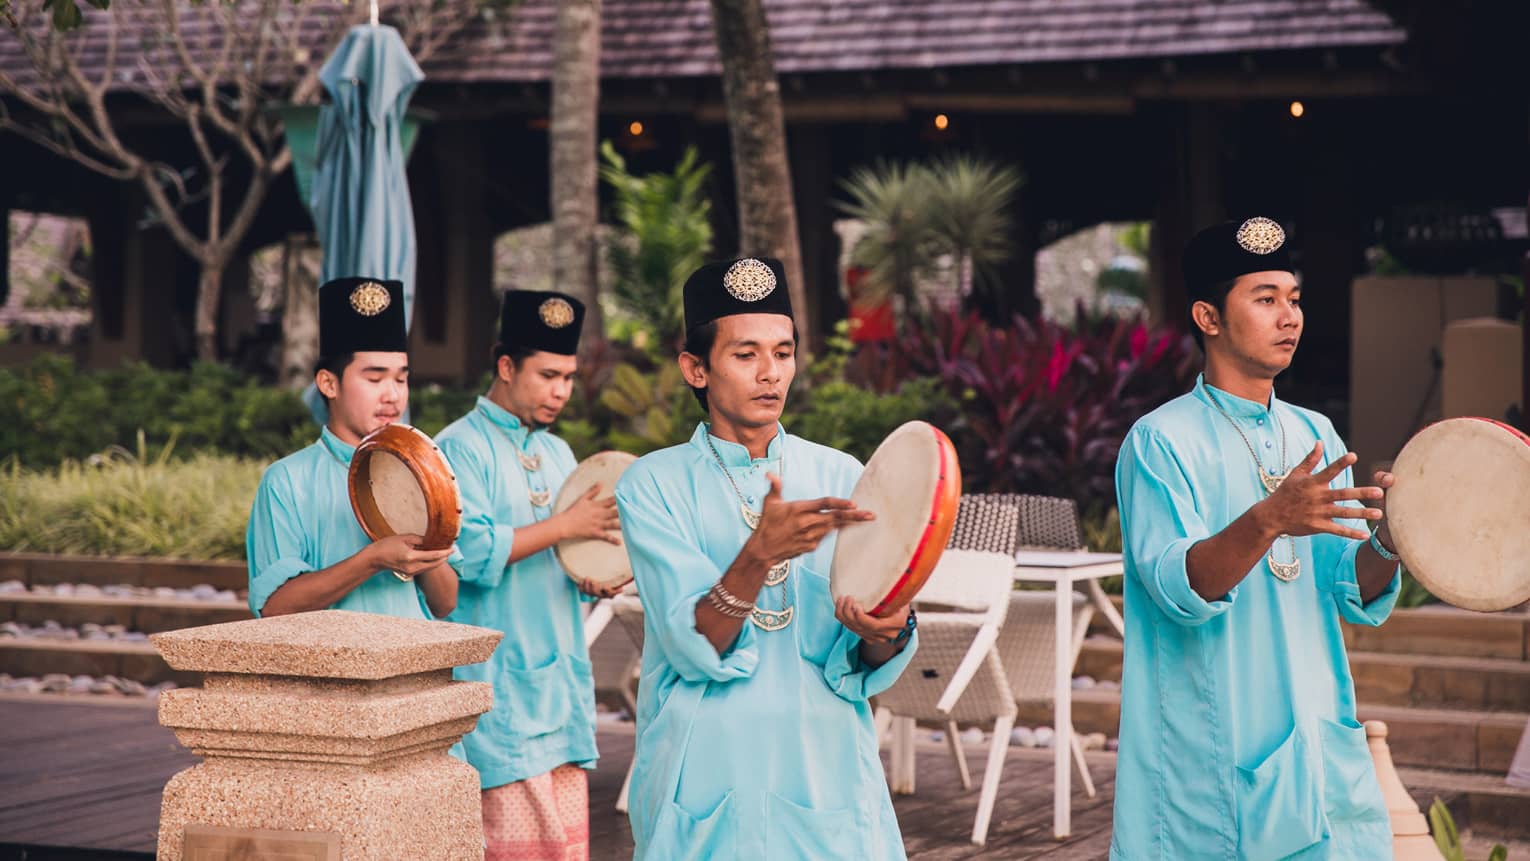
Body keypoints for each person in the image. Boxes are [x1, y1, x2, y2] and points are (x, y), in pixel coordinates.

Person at [1111, 217, 1401, 859]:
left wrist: (1393, 542)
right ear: (1208, 318)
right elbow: (1182, 586)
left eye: (1293, 299)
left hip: (1316, 735)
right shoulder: (1161, 442)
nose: (1288, 317)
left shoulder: (1313, 431)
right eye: (1265, 299)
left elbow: (1347, 585)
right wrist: (1269, 518)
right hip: (1212, 744)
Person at [614, 257, 919, 859]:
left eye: (783, 353)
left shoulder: (841, 474)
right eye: (746, 354)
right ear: (695, 369)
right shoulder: (651, 484)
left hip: (824, 761)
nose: (770, 374)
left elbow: (865, 651)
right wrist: (758, 555)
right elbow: (694, 644)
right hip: (703, 767)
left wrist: (887, 627)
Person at [437, 289, 621, 861]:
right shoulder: (456, 449)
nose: (560, 391)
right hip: (496, 693)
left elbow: (565, 556)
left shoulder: (561, 453)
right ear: (505, 366)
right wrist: (568, 524)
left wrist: (592, 576)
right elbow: (467, 552)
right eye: (547, 375)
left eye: (567, 377)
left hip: (559, 693)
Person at [246, 276, 456, 620]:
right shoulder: (287, 481)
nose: (392, 395)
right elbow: (274, 607)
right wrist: (372, 559)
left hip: (411, 667)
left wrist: (428, 532)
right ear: (328, 383)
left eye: (401, 379)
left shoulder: (421, 469)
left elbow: (445, 602)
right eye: (374, 379)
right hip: (329, 671)